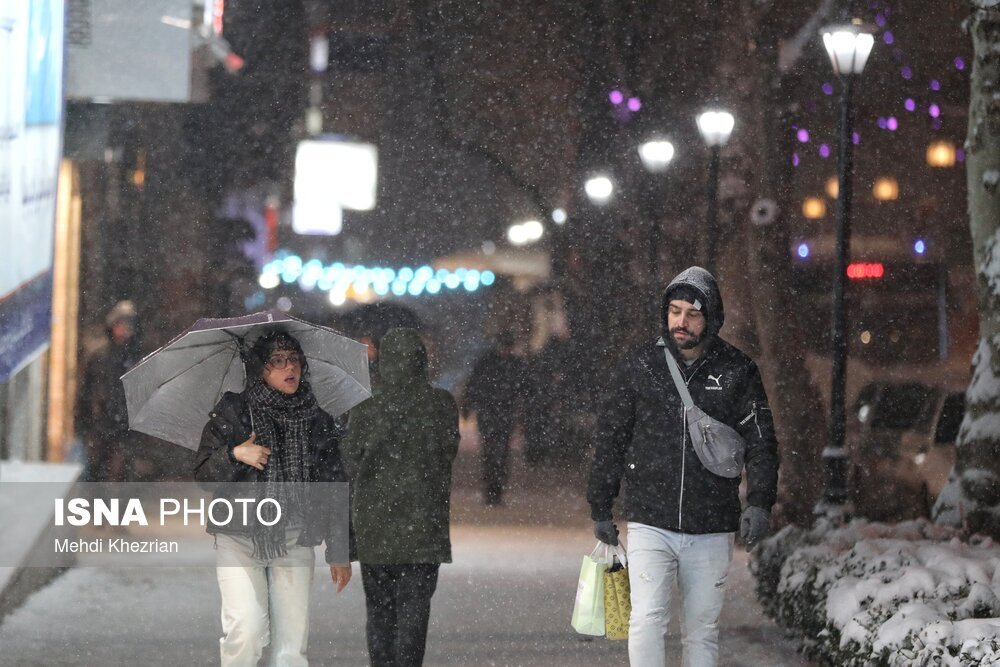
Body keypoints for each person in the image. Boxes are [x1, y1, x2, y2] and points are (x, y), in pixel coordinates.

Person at [587, 266, 779, 667]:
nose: (681, 321)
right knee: (647, 619)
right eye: (674, 311)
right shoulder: (641, 365)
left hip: (712, 525)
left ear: (710, 318)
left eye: (692, 313)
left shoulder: (737, 370)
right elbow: (612, 437)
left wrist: (760, 502)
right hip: (649, 521)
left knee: (702, 631)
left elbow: (761, 442)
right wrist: (600, 504)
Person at [193, 331, 353, 667]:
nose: (288, 367)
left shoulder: (316, 419)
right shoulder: (235, 411)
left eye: (293, 358)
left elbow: (333, 484)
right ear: (259, 369)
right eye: (276, 361)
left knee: (291, 647)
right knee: (246, 632)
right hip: (238, 535)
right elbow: (204, 473)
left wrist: (339, 550)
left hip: (294, 536)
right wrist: (236, 454)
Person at [341, 328, 459, 667]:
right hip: (424, 528)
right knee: (415, 613)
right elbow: (448, 452)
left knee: (380, 612)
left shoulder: (365, 406)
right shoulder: (440, 404)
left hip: (375, 528)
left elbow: (350, 460)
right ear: (421, 358)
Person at [76, 300, 143, 482]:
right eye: (121, 325)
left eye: (128, 326)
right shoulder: (98, 356)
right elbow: (86, 392)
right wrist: (83, 425)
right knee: (98, 471)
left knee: (119, 473)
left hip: (123, 426)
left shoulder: (135, 358)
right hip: (100, 425)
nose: (124, 330)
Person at [462, 332, 524, 505]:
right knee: (491, 451)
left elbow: (473, 385)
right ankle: (491, 489)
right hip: (491, 413)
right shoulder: (494, 363)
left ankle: (496, 489)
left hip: (500, 413)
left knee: (500, 452)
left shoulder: (499, 363)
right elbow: (474, 386)